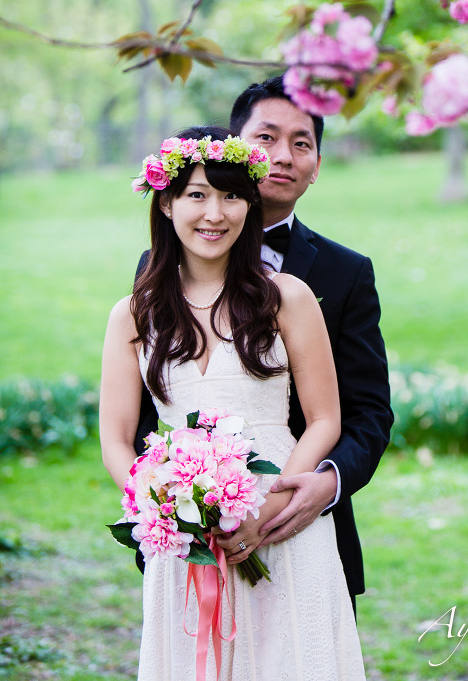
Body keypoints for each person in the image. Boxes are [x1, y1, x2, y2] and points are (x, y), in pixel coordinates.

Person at [100, 127, 366, 680]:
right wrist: (165, 509)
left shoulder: (285, 297)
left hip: (282, 520)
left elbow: (324, 420)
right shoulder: (133, 313)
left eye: (231, 196)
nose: (214, 213)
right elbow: (117, 438)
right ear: (167, 201)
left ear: (250, 204)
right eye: (197, 194)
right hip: (184, 538)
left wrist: (266, 512)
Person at [134, 76, 393, 608]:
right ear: (232, 148)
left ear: (317, 164)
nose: (283, 156)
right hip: (190, 530)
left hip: (299, 522)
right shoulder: (159, 270)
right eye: (266, 138)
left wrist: (328, 480)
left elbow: (367, 410)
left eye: (302, 143)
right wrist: (174, 504)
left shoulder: (345, 274)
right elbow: (146, 399)